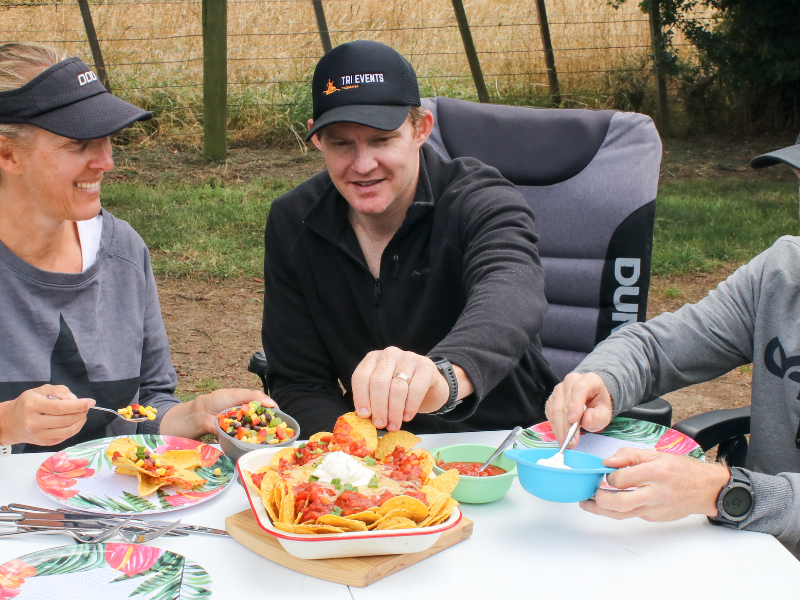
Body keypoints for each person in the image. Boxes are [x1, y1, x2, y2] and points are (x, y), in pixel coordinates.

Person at [261, 40, 556, 438]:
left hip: (503, 444)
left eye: (382, 140)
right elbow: (300, 380)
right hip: (375, 454)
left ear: (421, 130)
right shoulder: (293, 220)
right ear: (317, 141)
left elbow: (512, 293)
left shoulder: (480, 199)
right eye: (341, 143)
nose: (363, 165)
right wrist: (348, 456)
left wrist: (444, 378)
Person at [0, 42, 273, 454]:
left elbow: (145, 405)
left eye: (106, 138)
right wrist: (6, 423)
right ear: (7, 153)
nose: (106, 161)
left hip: (111, 494)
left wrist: (195, 414)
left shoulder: (123, 252)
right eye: (78, 143)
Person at [545, 134, 800, 558]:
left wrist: (723, 491)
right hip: (756, 550)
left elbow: (729, 495)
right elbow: (656, 348)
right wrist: (601, 380)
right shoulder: (783, 272)